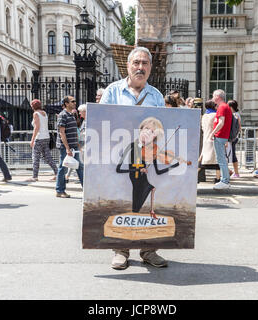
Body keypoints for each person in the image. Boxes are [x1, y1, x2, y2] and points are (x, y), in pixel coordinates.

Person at [100, 46, 167, 271]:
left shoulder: (156, 96)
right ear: (128, 66)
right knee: (122, 200)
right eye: (136, 63)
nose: (140, 67)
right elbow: (101, 123)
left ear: (150, 68)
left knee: (144, 201)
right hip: (119, 155)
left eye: (145, 63)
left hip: (146, 159)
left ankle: (149, 250)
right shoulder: (113, 91)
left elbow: (161, 129)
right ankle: (120, 250)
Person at [55, 96, 83, 198]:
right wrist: (67, 148)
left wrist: (77, 144)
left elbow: (74, 131)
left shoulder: (71, 115)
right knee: (63, 168)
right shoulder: (62, 115)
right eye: (72, 101)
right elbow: (62, 133)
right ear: (66, 103)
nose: (75, 103)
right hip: (66, 147)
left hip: (73, 146)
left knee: (79, 167)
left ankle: (87, 190)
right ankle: (59, 190)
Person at [27, 99, 58, 182]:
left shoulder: (36, 114)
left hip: (39, 138)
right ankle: (57, 173)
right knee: (48, 157)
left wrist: (32, 140)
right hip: (46, 137)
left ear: (33, 106)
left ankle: (35, 176)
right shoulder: (44, 113)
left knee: (35, 157)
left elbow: (36, 127)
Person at [208, 89, 232, 190]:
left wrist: (212, 133)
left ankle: (225, 181)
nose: (213, 98)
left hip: (220, 135)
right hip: (222, 136)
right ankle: (225, 179)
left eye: (214, 96)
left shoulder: (222, 107)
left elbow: (221, 123)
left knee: (221, 159)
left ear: (218, 97)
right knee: (221, 159)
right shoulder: (225, 107)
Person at [199, 100, 220, 183]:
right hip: (213, 139)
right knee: (217, 161)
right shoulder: (215, 115)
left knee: (204, 159)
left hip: (206, 139)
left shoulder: (204, 116)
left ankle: (193, 174)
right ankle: (218, 178)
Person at [227, 100, 241, 178]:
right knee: (232, 155)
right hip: (234, 137)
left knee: (231, 155)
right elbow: (239, 127)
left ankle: (235, 172)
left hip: (231, 138)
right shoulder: (237, 114)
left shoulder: (234, 115)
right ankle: (234, 172)